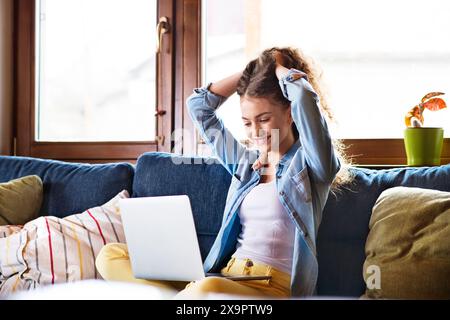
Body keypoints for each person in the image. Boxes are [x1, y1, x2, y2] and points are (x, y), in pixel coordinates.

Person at [95, 47, 353, 299]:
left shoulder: (312, 166)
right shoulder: (246, 164)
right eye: (246, 122)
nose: (254, 132)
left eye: (263, 119)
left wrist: (277, 68)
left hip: (273, 289)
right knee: (110, 255)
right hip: (225, 279)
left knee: (205, 290)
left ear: (290, 114)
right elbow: (198, 106)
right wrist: (251, 72)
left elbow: (305, 99)